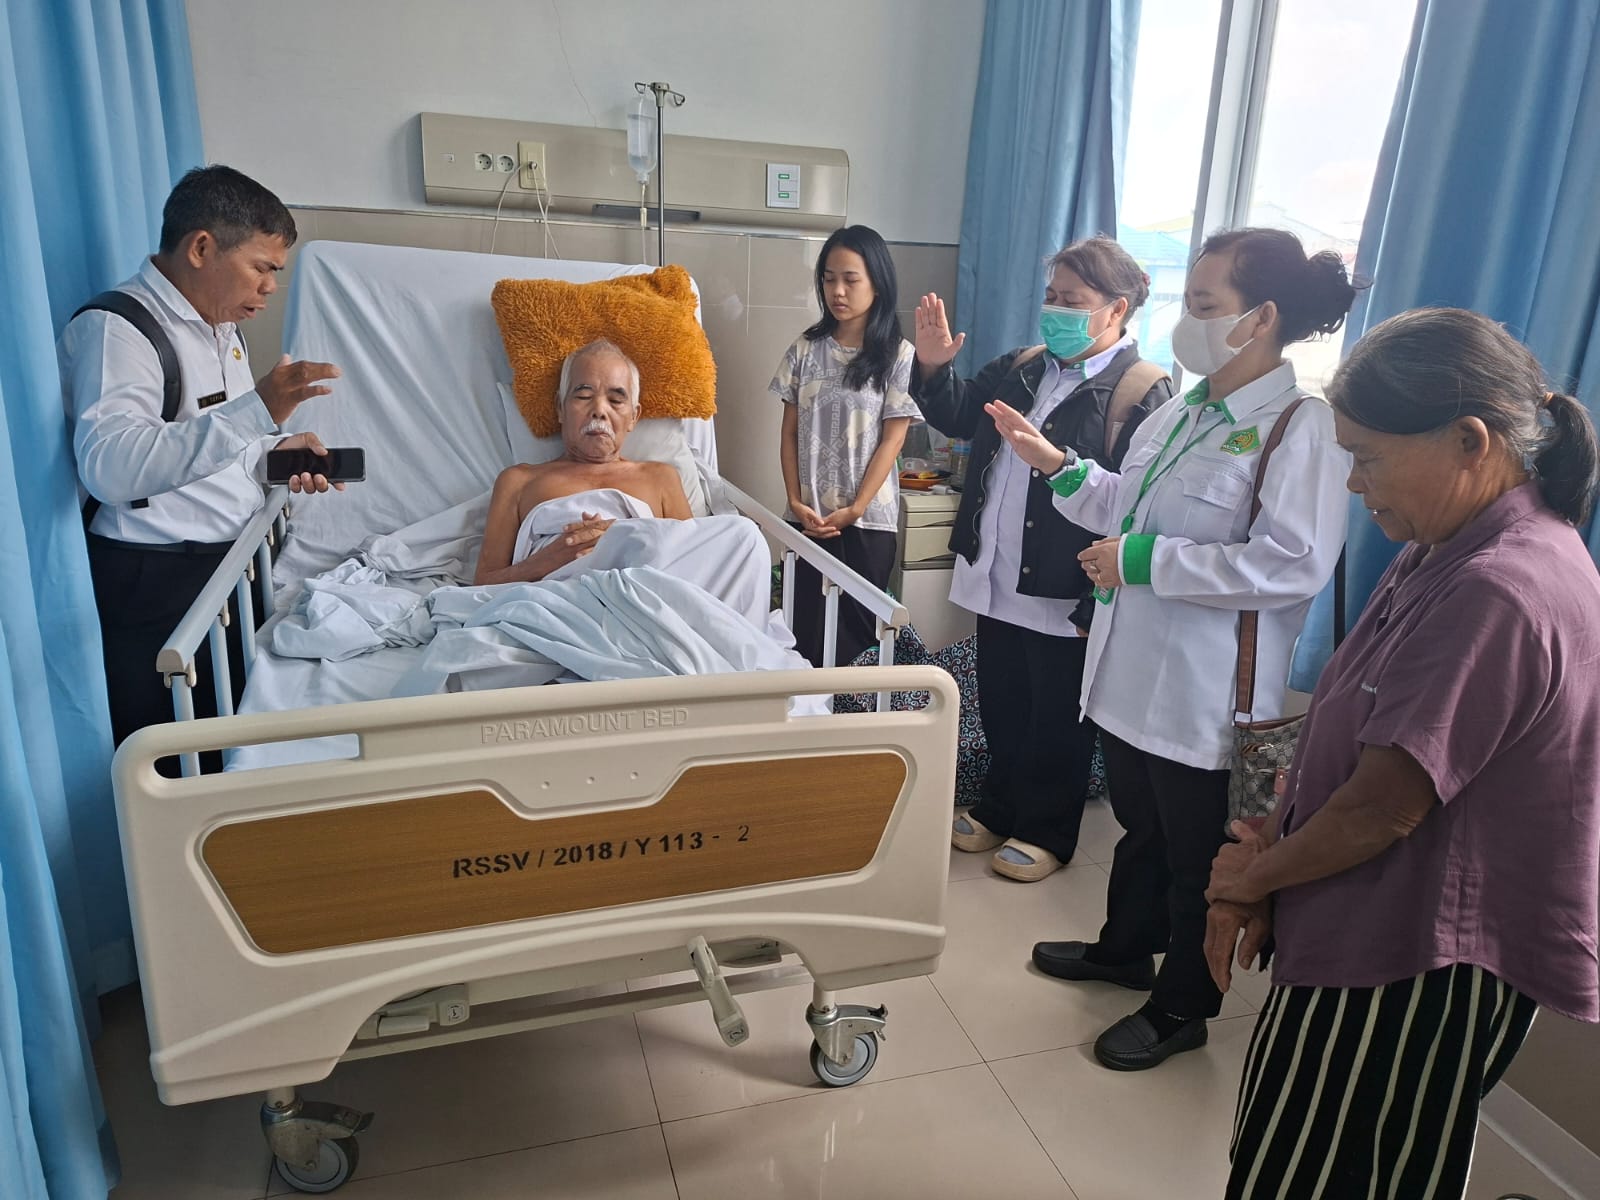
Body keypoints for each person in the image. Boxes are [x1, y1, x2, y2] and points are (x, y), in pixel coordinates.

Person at [1204, 308, 1600, 1199]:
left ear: (1470, 441)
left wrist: (1247, 883)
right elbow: (1358, 730)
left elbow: (1382, 807)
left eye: (1369, 457)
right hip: (1366, 921)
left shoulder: (1501, 587)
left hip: (1415, 961)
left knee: (1329, 1179)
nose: (1354, 484)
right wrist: (1271, 843)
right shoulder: (1446, 545)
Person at [999, 228, 1355, 1067]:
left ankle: (1183, 1005)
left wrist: (1146, 563)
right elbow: (1129, 507)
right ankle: (1125, 949)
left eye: (1204, 304)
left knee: (1198, 857)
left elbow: (1292, 563)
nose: (1186, 321)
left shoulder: (1299, 428)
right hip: (1130, 677)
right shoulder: (1186, 411)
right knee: (1141, 829)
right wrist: (1060, 468)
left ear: (1261, 318)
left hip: (1205, 692)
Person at [60, 164, 342, 769]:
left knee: (228, 755)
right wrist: (259, 409)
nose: (270, 288)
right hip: (154, 583)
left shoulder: (221, 330)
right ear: (201, 248)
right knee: (173, 769)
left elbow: (219, 448)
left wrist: (275, 457)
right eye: (262, 267)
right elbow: (110, 468)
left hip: (226, 572)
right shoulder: (118, 331)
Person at [911, 236, 1170, 882]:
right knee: (1002, 702)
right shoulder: (1024, 366)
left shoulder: (1140, 390)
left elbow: (1140, 505)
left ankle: (1047, 829)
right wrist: (935, 369)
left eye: (1072, 300)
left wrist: (1094, 603)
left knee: (1057, 716)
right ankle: (998, 807)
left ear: (1116, 308)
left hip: (1067, 583)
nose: (1054, 309)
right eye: (1051, 295)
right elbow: (961, 416)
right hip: (997, 574)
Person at [476, 340, 771, 629]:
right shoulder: (519, 481)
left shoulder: (660, 478)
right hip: (557, 606)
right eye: (584, 395)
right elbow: (481, 584)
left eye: (616, 400)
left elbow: (688, 565)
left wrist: (626, 539)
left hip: (645, 607)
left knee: (746, 535)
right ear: (560, 409)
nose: (599, 410)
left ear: (634, 417)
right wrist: (544, 561)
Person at [771, 225, 917, 668]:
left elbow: (893, 438)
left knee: (855, 646)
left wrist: (856, 508)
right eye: (829, 279)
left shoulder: (898, 355)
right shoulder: (805, 349)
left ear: (878, 282)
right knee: (802, 639)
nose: (837, 291)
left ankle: (853, 716)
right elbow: (789, 432)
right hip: (808, 519)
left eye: (850, 280)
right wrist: (795, 501)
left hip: (867, 523)